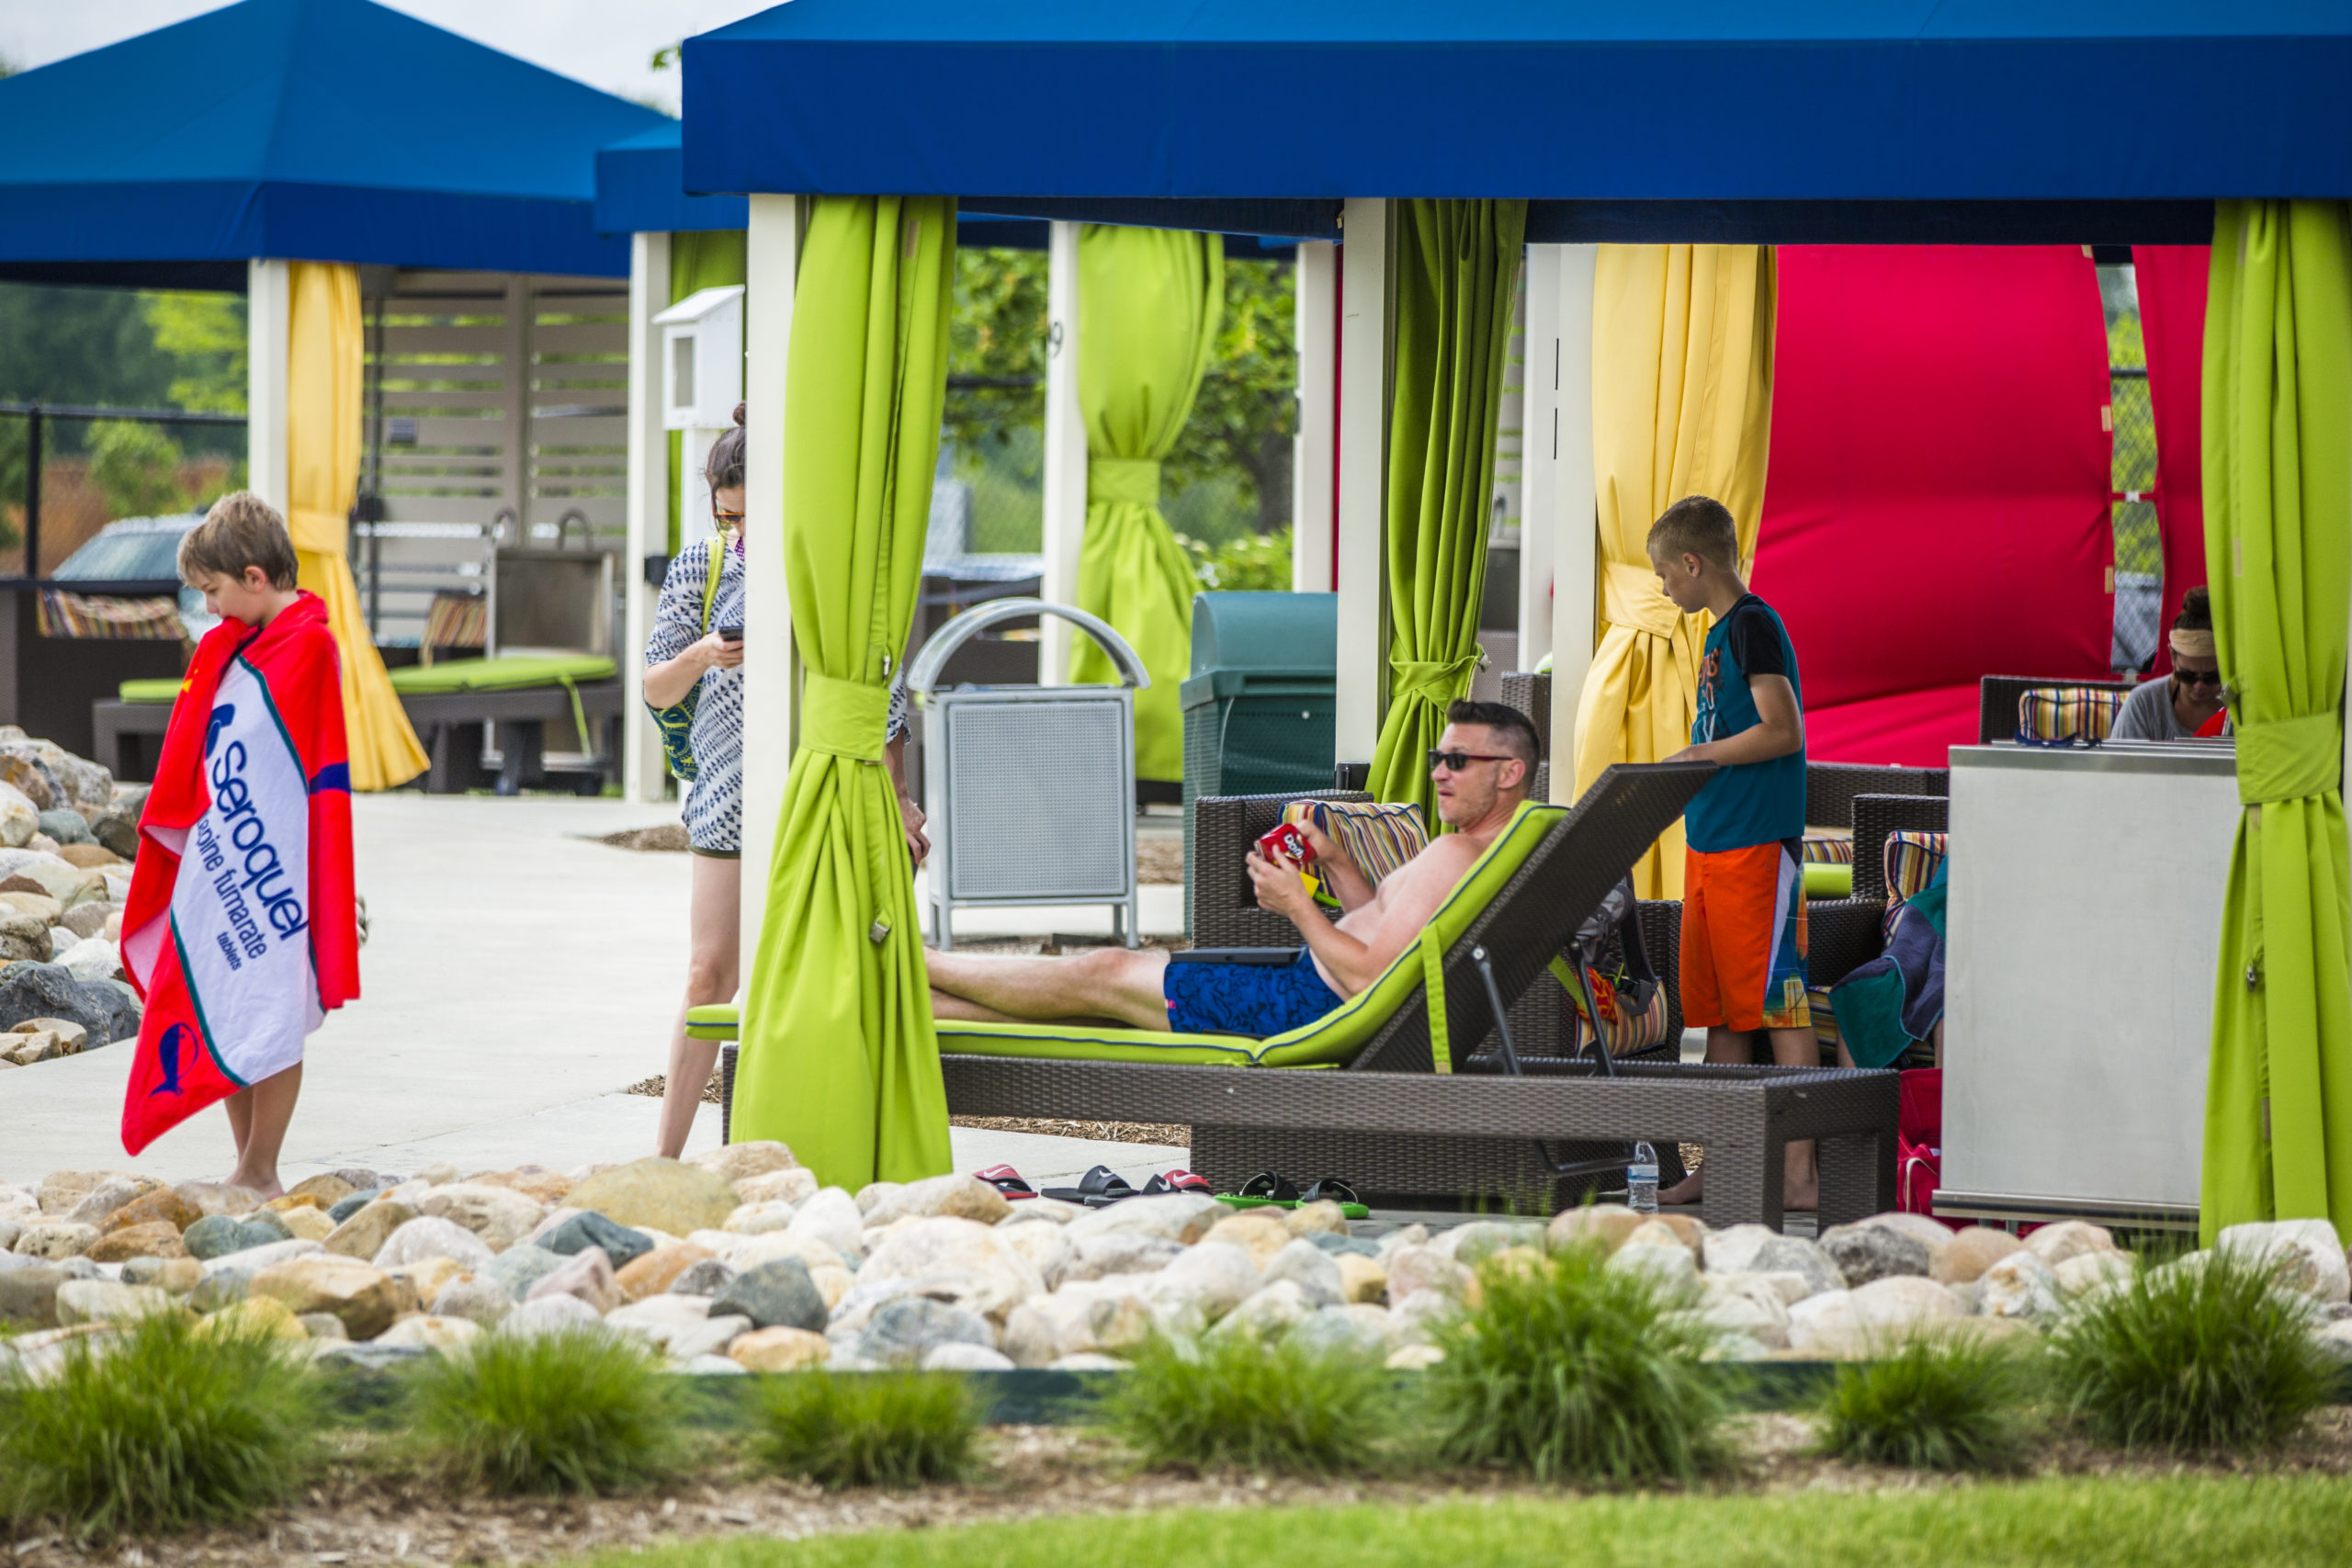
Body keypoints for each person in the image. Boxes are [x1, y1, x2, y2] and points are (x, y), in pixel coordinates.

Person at [642, 406, 928, 1156]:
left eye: (748, 515)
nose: (737, 530)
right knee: (710, 973)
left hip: (820, 797)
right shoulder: (700, 568)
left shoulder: (823, 572)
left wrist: (896, 797)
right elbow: (655, 686)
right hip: (726, 803)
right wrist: (704, 653)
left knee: (818, 978)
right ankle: (665, 1157)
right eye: (725, 515)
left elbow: (882, 694)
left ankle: (797, 1141)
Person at [925, 701, 1542, 1033]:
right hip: (1307, 990)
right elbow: (1379, 934)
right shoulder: (1483, 852)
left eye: (1457, 761)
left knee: (1104, 968)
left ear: (1509, 772)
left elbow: (1369, 981)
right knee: (1102, 993)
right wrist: (1335, 862)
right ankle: (917, 1003)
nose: (1437, 771)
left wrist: (1295, 904)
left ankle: (917, 963)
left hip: (1304, 1007)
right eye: (1438, 757)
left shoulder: (1455, 854)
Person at [118, 492, 361, 1194]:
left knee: (275, 1009)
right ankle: (243, 1160)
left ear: (256, 578)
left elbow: (313, 773)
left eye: (214, 591)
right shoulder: (233, 646)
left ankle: (263, 1164)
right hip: (217, 853)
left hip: (275, 869)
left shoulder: (309, 645)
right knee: (221, 999)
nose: (210, 609)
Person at [1643, 496, 1821, 1210]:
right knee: (1719, 1016)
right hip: (1712, 845)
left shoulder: (1753, 624)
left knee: (1782, 1009)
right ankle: (1723, 1164)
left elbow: (1784, 731)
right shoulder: (1719, 633)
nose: (1662, 588)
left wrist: (1698, 753)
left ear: (1693, 562)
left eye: (1664, 573)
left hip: (1756, 847)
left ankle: (1800, 1174)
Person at [2110, 586, 2229, 741]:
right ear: (2172, 656)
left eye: (2211, 677)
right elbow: (2122, 763)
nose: (2199, 686)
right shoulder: (2145, 705)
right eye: (2187, 676)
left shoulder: (2237, 710)